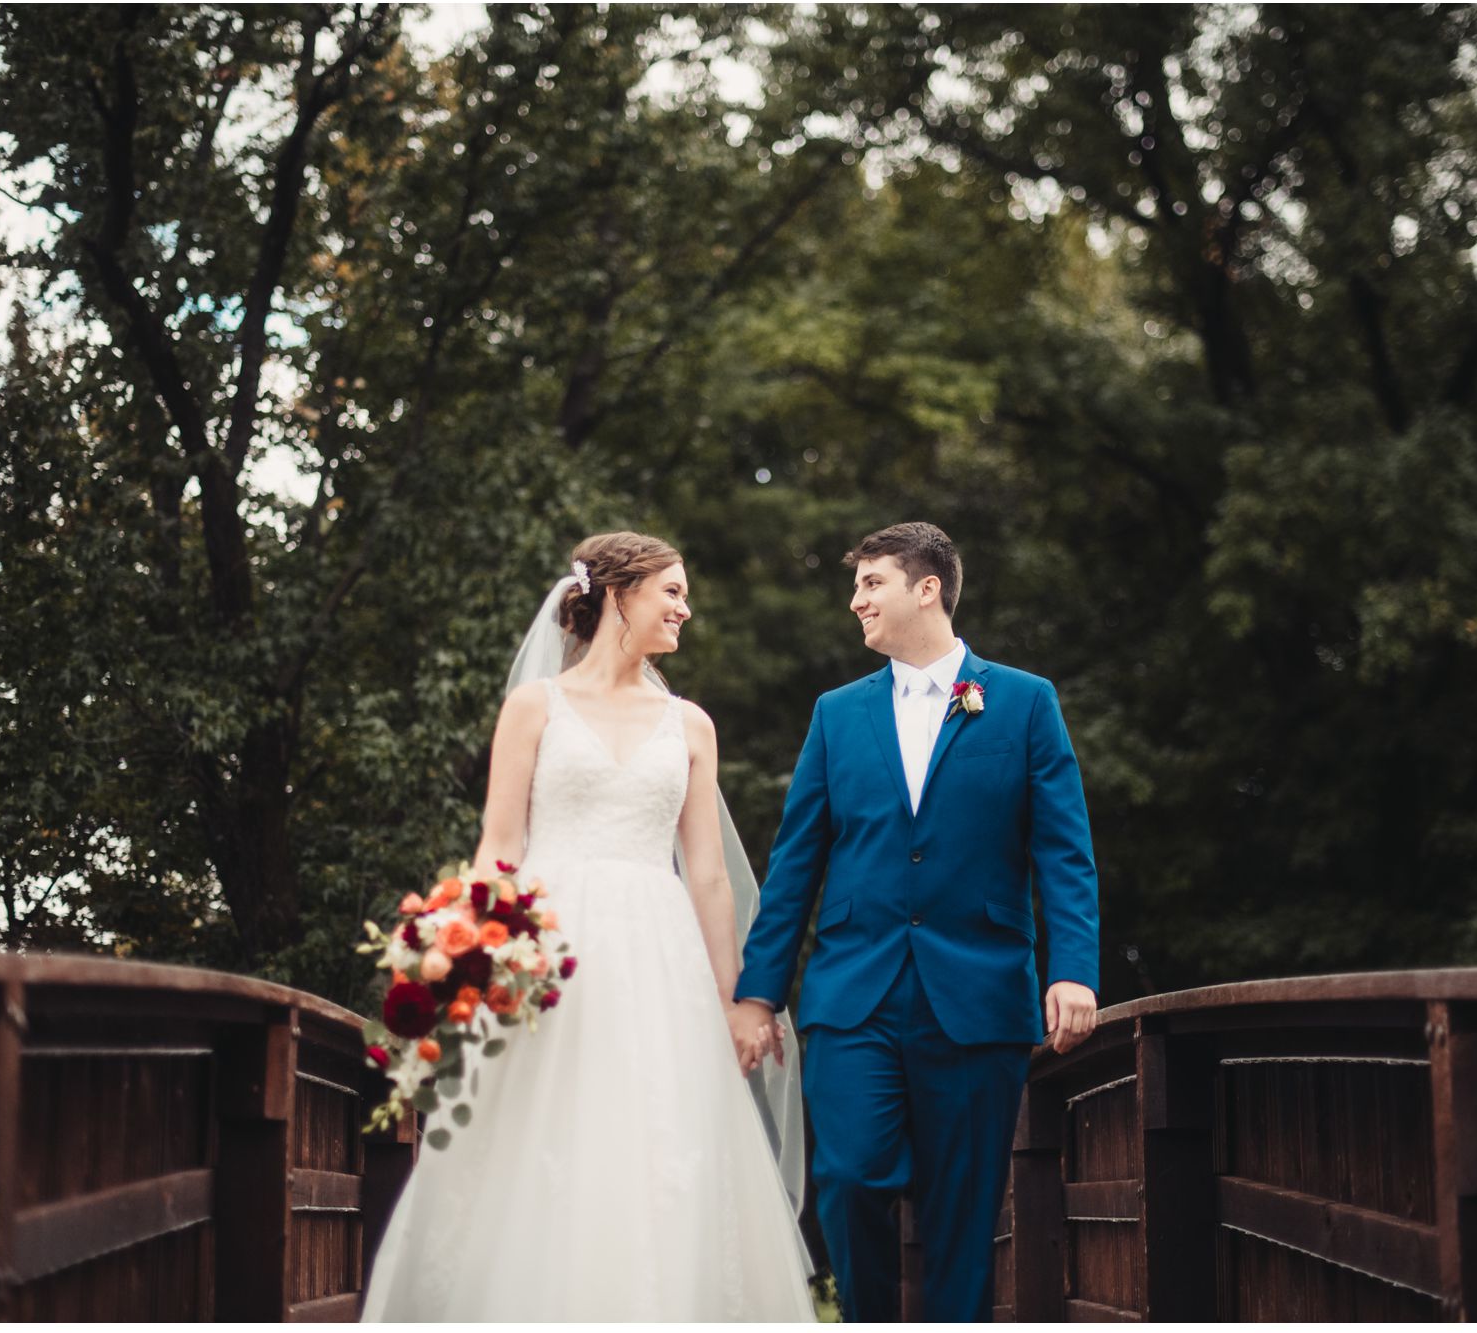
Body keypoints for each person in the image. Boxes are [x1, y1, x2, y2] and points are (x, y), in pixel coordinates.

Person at [362, 531, 815, 1322]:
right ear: (618, 594)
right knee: (542, 1144)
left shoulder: (691, 725)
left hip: (659, 958)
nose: (686, 607)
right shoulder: (534, 707)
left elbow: (707, 874)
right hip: (548, 957)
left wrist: (736, 999)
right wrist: (460, 963)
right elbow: (498, 847)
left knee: (657, 1145)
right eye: (672, 590)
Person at [731, 520, 1102, 1322]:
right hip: (852, 997)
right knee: (851, 1181)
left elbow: (1063, 851)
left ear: (927, 588)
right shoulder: (836, 715)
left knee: (962, 1218)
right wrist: (758, 994)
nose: (855, 600)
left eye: (871, 583)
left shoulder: (1025, 703)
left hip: (978, 1000)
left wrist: (1071, 968)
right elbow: (795, 864)